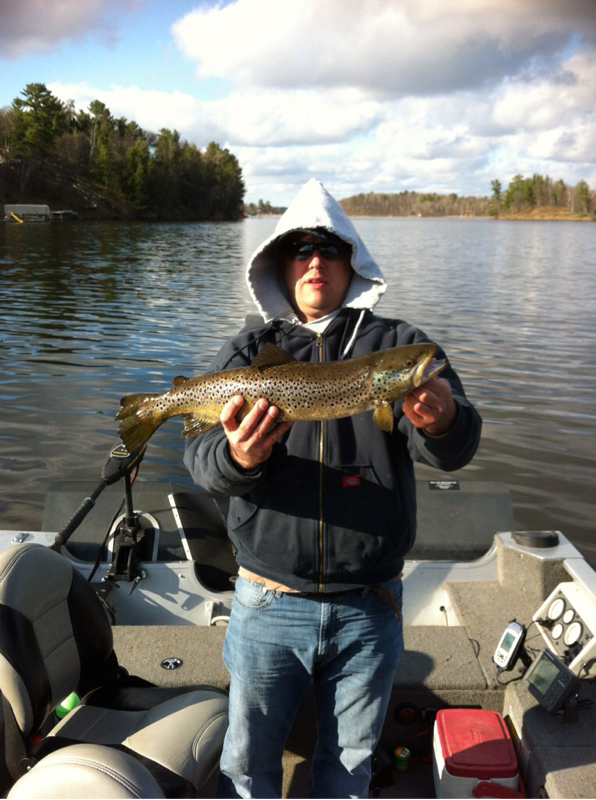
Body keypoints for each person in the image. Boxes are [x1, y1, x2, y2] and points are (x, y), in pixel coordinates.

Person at [184, 179, 482, 798]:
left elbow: (452, 451)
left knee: (349, 771)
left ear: (354, 262)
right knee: (246, 767)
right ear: (279, 264)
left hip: (370, 605)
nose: (315, 261)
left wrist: (444, 420)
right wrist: (240, 455)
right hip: (267, 599)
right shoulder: (249, 349)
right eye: (300, 249)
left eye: (330, 249)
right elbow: (202, 463)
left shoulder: (401, 347)